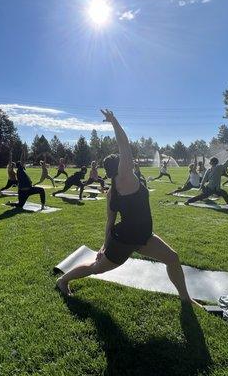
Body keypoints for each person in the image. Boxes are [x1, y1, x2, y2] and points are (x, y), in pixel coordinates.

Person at [56, 110, 192, 305]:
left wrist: (104, 244)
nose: (128, 161)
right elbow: (125, 146)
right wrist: (114, 122)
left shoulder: (113, 190)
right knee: (96, 268)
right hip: (125, 241)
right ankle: (62, 280)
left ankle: (185, 298)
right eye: (125, 162)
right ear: (121, 167)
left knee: (172, 258)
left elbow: (109, 222)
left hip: (143, 236)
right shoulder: (126, 179)